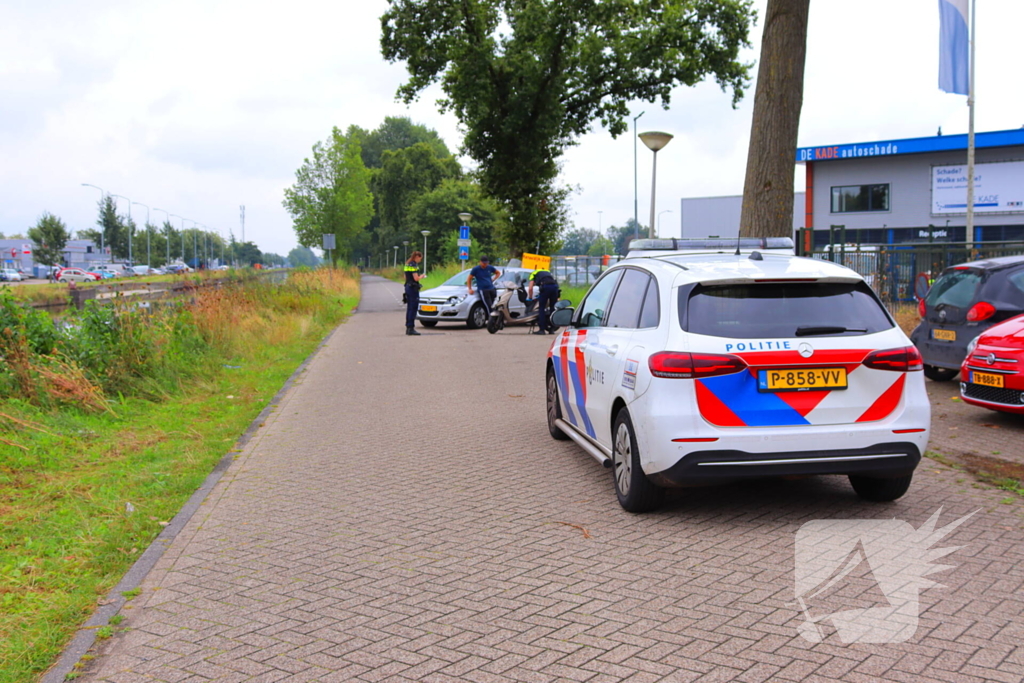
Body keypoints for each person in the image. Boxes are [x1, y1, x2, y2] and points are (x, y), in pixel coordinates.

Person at [527, 266, 560, 334]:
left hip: (546, 287)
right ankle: (552, 329)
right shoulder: (548, 272)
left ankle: (542, 330)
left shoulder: (533, 273)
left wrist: (530, 298)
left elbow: (530, 288)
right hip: (555, 288)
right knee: (552, 309)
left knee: (541, 308)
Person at [403, 251, 425, 336]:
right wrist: (421, 276)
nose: (420, 260)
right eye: (420, 258)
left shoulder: (407, 264)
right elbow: (416, 278)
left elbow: (405, 277)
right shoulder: (414, 265)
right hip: (413, 288)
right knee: (413, 308)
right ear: (417, 257)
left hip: (407, 287)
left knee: (409, 308)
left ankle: (408, 327)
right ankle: (411, 328)